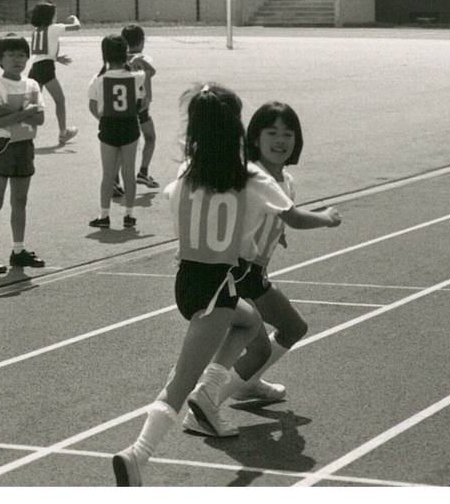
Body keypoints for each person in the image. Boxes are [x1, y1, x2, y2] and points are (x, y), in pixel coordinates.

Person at [111, 83, 298, 486]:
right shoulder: (244, 176)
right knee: (178, 383)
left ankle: (210, 399)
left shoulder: (188, 172)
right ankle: (137, 455)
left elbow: (172, 197)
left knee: (249, 325)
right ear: (235, 128)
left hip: (189, 282)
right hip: (217, 288)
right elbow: (279, 214)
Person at [180, 100, 341, 434]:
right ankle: (204, 407)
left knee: (293, 328)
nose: (280, 140)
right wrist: (326, 218)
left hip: (256, 274)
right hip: (235, 274)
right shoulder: (250, 177)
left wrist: (273, 234)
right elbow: (280, 217)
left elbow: (272, 217)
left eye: (288, 133)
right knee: (259, 345)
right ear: (254, 138)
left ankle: (248, 382)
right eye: (272, 133)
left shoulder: (286, 181)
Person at [0, 34, 46, 274]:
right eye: (11, 55)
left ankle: (18, 250)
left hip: (25, 144)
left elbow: (41, 118)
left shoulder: (32, 85)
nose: (17, 59)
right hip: (3, 146)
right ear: (1, 59)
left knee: (20, 200)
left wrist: (13, 113)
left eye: (22, 55)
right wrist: (25, 112)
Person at [87, 35, 145, 231]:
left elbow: (93, 106)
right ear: (125, 53)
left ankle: (104, 215)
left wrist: (102, 118)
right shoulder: (136, 77)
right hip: (130, 125)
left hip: (109, 126)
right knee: (129, 172)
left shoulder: (98, 79)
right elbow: (143, 100)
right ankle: (129, 214)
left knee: (108, 174)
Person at [27, 1, 80, 146]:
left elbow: (41, 53)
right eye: (54, 14)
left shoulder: (37, 31)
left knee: (33, 104)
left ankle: (27, 134)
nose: (56, 16)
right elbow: (77, 27)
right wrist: (75, 17)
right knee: (60, 100)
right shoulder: (54, 28)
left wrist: (57, 58)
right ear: (49, 16)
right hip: (46, 68)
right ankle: (63, 133)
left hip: (35, 68)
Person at [122, 23, 159, 190]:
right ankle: (143, 172)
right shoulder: (143, 58)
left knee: (122, 142)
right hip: (140, 104)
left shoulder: (118, 58)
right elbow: (150, 75)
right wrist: (149, 97)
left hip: (121, 104)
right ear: (142, 41)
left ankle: (115, 179)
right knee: (149, 138)